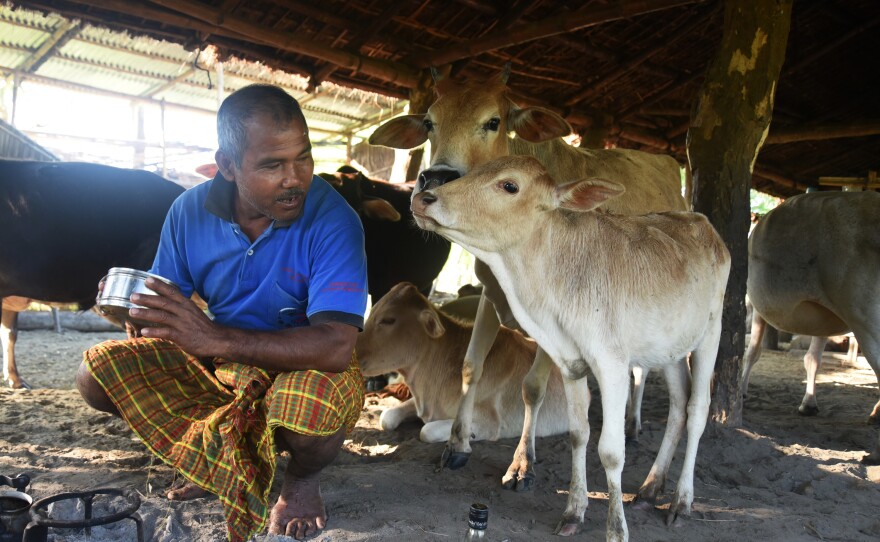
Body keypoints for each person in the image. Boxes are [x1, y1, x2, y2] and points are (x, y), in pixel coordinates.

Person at [76, 84, 368, 542]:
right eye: (273, 165)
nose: (296, 178)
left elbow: (335, 344)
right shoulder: (188, 212)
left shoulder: (334, 219)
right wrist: (132, 311)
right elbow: (165, 310)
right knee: (96, 373)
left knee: (309, 407)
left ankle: (302, 482)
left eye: (303, 158)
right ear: (228, 166)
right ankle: (210, 454)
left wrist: (214, 337)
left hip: (306, 363)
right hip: (223, 367)